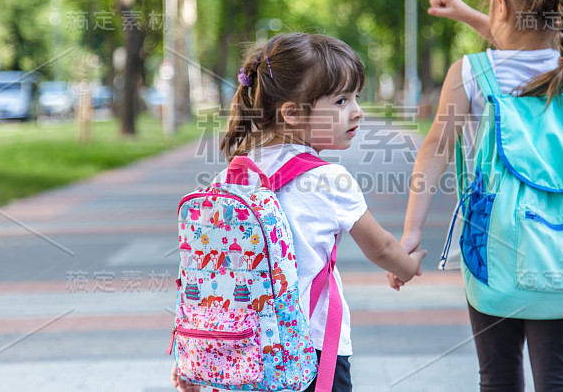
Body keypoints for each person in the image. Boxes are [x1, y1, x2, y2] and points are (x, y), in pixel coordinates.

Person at [171, 32, 427, 392]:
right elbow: (382, 248)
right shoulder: (329, 180)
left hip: (238, 350)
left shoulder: (229, 178)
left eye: (355, 97)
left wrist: (197, 354)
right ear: (291, 112)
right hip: (309, 351)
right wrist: (408, 267)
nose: (357, 110)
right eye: (341, 101)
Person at [391, 0, 563, 391]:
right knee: (560, 375)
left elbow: (436, 149)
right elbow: (526, 49)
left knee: (497, 376)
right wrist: (471, 14)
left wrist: (412, 232)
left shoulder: (470, 73)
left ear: (499, 5)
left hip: (493, 246)